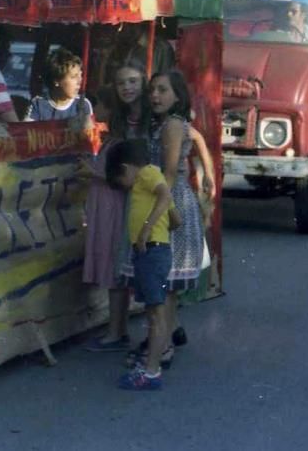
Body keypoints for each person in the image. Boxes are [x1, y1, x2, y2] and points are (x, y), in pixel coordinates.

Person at [84, 59, 149, 352]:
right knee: (119, 266)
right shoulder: (121, 126)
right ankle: (119, 329)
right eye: (121, 83)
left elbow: (128, 170)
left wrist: (94, 172)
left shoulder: (147, 122)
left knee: (121, 264)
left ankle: (124, 332)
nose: (127, 88)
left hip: (125, 201)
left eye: (132, 81)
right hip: (118, 200)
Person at [141, 70, 203, 367]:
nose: (155, 95)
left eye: (163, 90)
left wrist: (156, 216)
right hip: (169, 198)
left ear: (177, 95)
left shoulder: (173, 125)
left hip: (170, 200)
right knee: (166, 279)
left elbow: (167, 171)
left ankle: (162, 347)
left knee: (162, 277)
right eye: (152, 90)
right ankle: (168, 333)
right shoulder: (166, 123)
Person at [107, 138, 175, 392]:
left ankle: (151, 371)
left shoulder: (147, 174)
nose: (123, 188)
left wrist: (147, 229)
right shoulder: (147, 182)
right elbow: (174, 214)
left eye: (120, 182)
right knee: (153, 311)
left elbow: (166, 196)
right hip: (154, 251)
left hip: (152, 252)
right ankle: (151, 365)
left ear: (125, 169)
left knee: (155, 313)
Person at [26, 48, 92, 121]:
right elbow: (26, 130)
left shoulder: (83, 104)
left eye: (80, 75)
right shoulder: (38, 104)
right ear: (56, 80)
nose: (80, 81)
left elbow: (90, 131)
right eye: (74, 77)